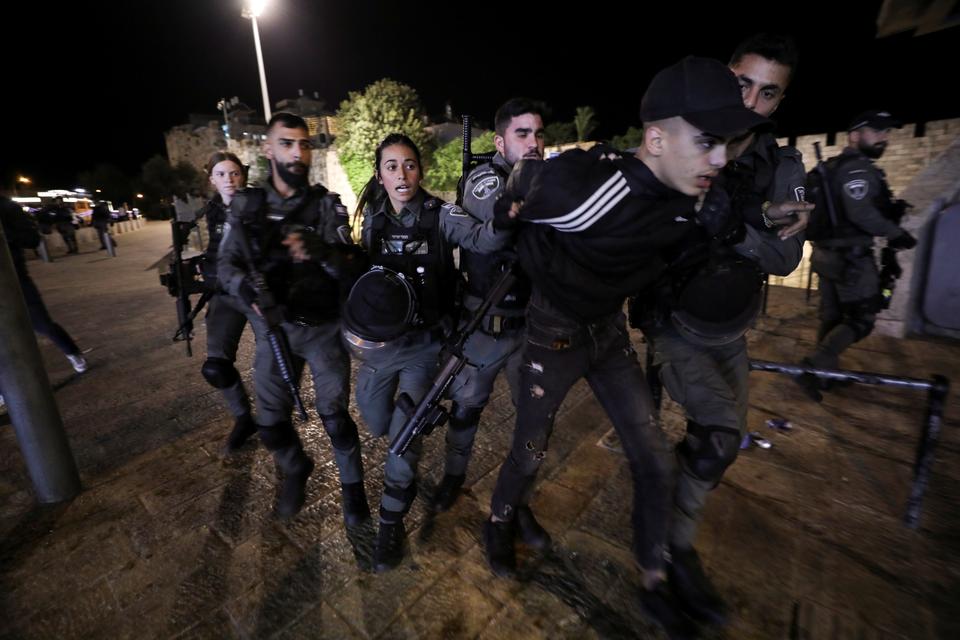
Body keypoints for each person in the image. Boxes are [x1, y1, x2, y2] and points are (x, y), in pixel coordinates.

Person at [481, 56, 770, 633]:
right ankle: (499, 520)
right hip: (552, 334)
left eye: (728, 144)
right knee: (529, 451)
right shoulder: (583, 186)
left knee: (654, 460)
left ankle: (654, 582)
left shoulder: (695, 200)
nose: (719, 159)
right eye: (708, 141)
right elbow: (519, 193)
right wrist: (513, 216)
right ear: (657, 138)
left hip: (608, 335)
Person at [633, 34, 812, 626]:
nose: (753, 103)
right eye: (744, 85)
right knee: (712, 437)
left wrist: (736, 229)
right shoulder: (685, 138)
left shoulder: (780, 166)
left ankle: (674, 546)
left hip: (729, 326)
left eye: (769, 93)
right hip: (673, 320)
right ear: (725, 76)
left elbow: (787, 259)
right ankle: (664, 556)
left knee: (722, 446)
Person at [344, 132, 510, 572]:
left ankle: (390, 522)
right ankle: (406, 459)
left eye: (410, 164)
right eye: (392, 166)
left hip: (423, 349)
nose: (403, 173)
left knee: (401, 442)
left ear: (420, 170)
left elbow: (483, 239)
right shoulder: (373, 222)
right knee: (377, 424)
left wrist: (510, 217)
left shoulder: (440, 215)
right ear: (379, 174)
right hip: (381, 352)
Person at [218, 112, 367, 522]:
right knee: (269, 424)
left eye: (303, 144)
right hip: (273, 329)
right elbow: (226, 264)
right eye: (286, 143)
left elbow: (350, 265)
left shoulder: (325, 206)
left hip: (323, 329)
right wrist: (246, 291)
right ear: (268, 150)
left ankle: (354, 490)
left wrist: (321, 252)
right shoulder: (248, 207)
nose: (297, 153)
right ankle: (295, 466)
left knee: (335, 418)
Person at [429, 97, 546, 513]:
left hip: (531, 326)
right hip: (485, 325)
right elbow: (500, 223)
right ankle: (454, 477)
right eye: (522, 133)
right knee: (465, 410)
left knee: (535, 420)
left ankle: (520, 502)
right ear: (500, 142)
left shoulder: (542, 181)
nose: (534, 142)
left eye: (538, 133)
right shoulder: (487, 181)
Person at [795, 109, 916, 400]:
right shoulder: (857, 168)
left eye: (886, 132)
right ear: (854, 135)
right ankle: (814, 366)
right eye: (876, 131)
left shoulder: (834, 167)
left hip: (826, 256)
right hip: (851, 257)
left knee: (833, 316)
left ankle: (825, 376)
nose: (883, 138)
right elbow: (860, 212)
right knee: (863, 318)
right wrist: (895, 232)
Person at [195, 152, 256, 453]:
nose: (229, 180)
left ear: (243, 175)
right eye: (221, 174)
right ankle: (244, 418)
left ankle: (276, 417)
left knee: (276, 360)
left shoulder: (259, 203)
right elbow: (216, 248)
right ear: (212, 180)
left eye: (234, 173)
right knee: (216, 367)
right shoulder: (214, 209)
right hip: (225, 293)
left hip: (256, 291)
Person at [1, 194, 88, 374]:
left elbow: (32, 238)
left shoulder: (6, 207)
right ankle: (8, 386)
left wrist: (4, 233)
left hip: (13, 278)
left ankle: (72, 352)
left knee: (42, 324)